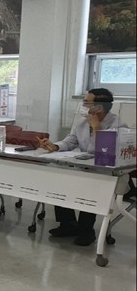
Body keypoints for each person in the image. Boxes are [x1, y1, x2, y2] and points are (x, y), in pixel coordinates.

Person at [38, 88, 120, 246]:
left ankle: (86, 231)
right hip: (84, 167)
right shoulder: (82, 122)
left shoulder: (117, 124)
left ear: (99, 107)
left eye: (87, 102)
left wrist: (96, 127)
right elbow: (70, 141)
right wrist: (55, 146)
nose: (83, 105)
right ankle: (68, 224)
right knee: (60, 183)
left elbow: (105, 151)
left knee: (89, 189)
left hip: (105, 172)